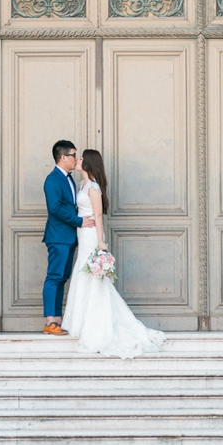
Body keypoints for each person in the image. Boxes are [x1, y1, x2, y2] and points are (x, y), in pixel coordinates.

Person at [63, 149, 166, 358]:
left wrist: (101, 242)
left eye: (82, 158)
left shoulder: (93, 187)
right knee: (84, 275)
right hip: (82, 235)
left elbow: (98, 216)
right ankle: (83, 321)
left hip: (91, 235)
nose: (78, 160)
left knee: (92, 277)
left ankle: (96, 324)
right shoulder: (82, 185)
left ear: (89, 163)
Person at [42, 140, 95, 336]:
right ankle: (51, 320)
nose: (76, 158)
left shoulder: (68, 178)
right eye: (73, 154)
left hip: (69, 237)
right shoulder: (53, 179)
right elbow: (55, 209)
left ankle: (56, 320)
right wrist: (79, 221)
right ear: (63, 157)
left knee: (62, 278)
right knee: (54, 277)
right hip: (58, 237)